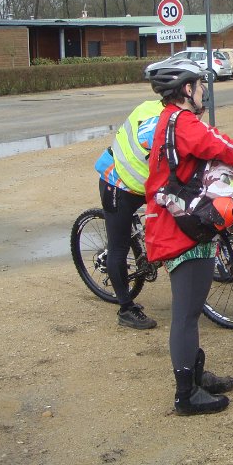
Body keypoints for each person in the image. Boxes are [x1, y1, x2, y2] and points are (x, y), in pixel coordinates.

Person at [144, 58, 233, 416]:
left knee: (190, 310)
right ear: (186, 90)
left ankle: (195, 374)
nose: (203, 91)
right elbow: (217, 144)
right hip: (182, 231)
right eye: (199, 85)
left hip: (176, 223)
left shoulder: (169, 120)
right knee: (186, 315)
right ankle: (186, 395)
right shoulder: (182, 122)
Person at [94, 98, 163, 329]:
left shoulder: (162, 108)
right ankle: (126, 308)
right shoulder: (155, 121)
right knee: (119, 247)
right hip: (117, 182)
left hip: (140, 183)